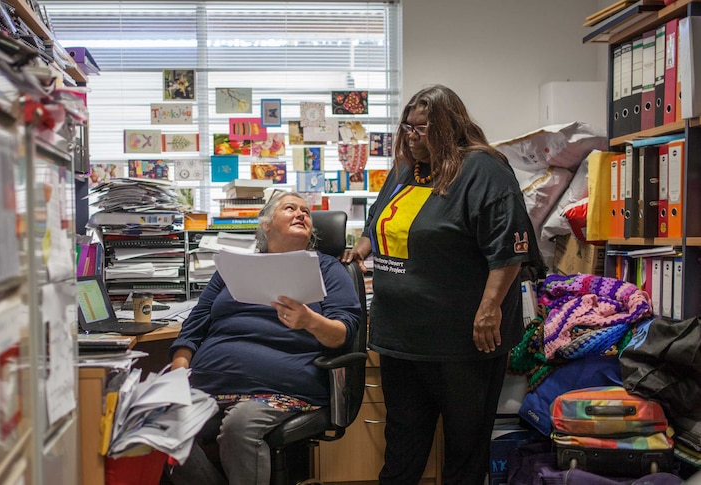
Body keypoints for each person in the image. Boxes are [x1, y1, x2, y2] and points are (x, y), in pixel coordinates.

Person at [341, 84, 537, 485]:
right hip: (402, 337)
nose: (412, 137)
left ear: (448, 127)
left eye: (422, 128)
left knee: (464, 450)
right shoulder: (405, 169)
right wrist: (361, 248)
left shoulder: (484, 170)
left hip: (462, 342)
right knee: (402, 446)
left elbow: (509, 250)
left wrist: (489, 309)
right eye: (407, 128)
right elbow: (380, 218)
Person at [168, 192, 361, 485]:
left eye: (306, 211)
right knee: (163, 425)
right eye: (290, 208)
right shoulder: (234, 268)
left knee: (240, 426)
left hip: (281, 385)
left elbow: (344, 334)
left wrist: (310, 320)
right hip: (209, 383)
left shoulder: (328, 269)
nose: (301, 214)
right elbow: (195, 324)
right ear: (266, 223)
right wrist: (179, 369)